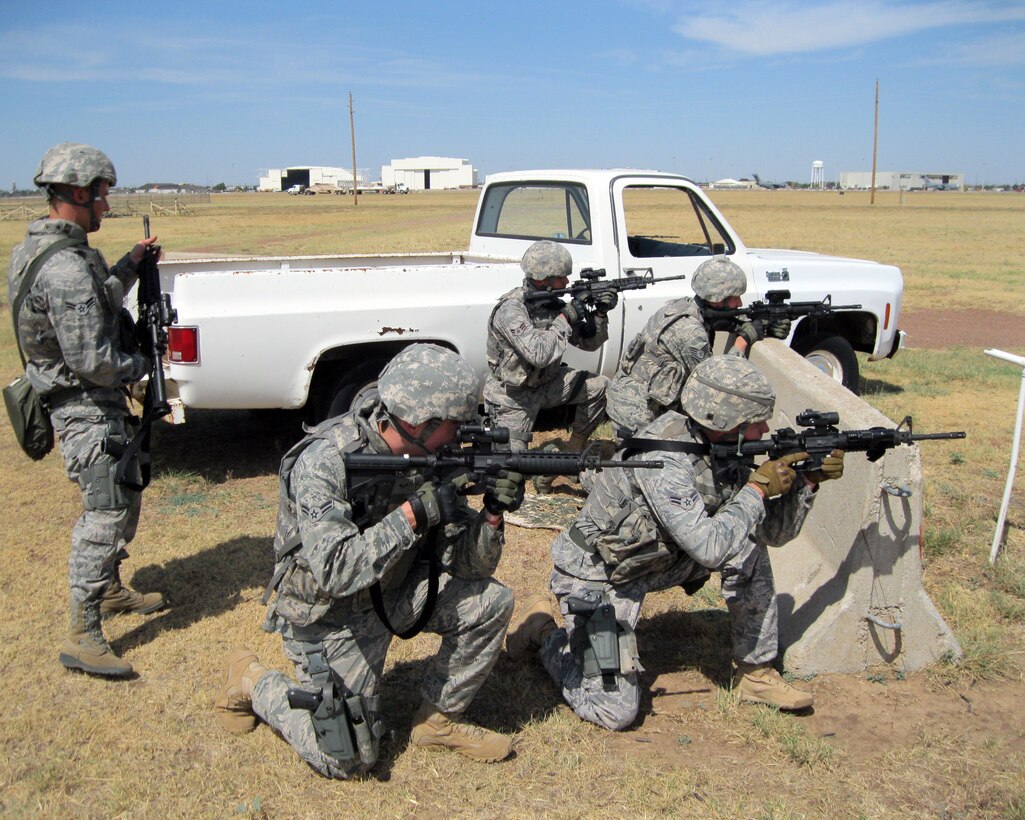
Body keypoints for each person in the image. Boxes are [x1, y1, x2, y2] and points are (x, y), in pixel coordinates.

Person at [215, 344, 526, 778]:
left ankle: (436, 722)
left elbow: (471, 567)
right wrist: (414, 514)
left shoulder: (433, 455)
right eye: (455, 425)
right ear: (422, 422)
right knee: (347, 759)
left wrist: (492, 514)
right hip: (330, 616)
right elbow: (337, 569)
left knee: (490, 602)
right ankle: (252, 680)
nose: (461, 433)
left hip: (394, 593)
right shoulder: (326, 460)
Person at [506, 355, 845, 731]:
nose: (763, 428)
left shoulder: (722, 446)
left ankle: (756, 673)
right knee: (614, 711)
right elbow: (710, 548)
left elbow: (772, 534)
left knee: (746, 542)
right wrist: (756, 489)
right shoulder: (665, 460)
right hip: (600, 577)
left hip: (657, 558)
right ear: (723, 420)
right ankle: (543, 632)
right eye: (755, 421)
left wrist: (806, 484)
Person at [7, 143, 165, 678]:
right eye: (101, 196)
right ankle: (83, 631)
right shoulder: (66, 269)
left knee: (125, 494)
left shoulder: (56, 253)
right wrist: (141, 362)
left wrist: (131, 264)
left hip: (89, 401)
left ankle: (111, 589)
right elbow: (94, 359)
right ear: (78, 193)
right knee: (105, 512)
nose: (105, 206)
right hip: (82, 407)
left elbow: (99, 298)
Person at [606, 255, 791, 439]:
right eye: (734, 297)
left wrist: (764, 324)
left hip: (642, 401)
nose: (739, 303)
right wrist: (742, 341)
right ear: (717, 298)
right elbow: (717, 384)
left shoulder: (685, 306)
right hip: (636, 414)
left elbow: (726, 319)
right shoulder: (690, 332)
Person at [483, 240, 611, 487]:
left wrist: (600, 314)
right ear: (543, 279)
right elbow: (539, 354)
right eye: (561, 277)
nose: (566, 283)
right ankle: (550, 461)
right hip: (512, 397)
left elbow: (589, 343)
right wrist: (565, 318)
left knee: (599, 386)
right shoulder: (511, 310)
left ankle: (570, 454)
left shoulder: (553, 305)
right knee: (512, 473)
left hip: (547, 385)